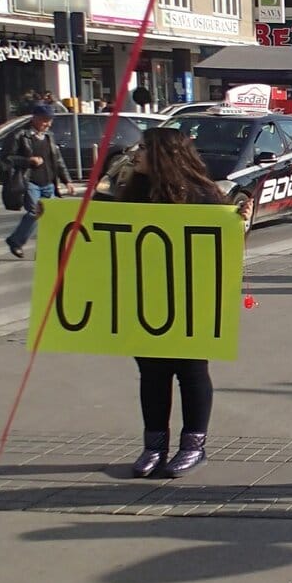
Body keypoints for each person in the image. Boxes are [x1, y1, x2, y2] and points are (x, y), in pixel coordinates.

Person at [119, 128, 246, 478]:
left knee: (190, 372)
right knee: (152, 374)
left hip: (191, 300)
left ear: (165, 154)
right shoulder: (132, 192)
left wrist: (240, 222)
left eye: (144, 148)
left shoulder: (202, 195)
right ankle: (154, 446)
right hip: (146, 300)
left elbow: (225, 241)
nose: (136, 154)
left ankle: (193, 446)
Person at [3, 103, 73, 259]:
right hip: (30, 182)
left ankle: (49, 248)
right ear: (34, 118)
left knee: (52, 215)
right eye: (44, 120)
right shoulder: (19, 135)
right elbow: (6, 159)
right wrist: (28, 161)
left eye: (50, 120)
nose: (47, 124)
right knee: (35, 212)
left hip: (48, 183)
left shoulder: (49, 136)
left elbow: (58, 160)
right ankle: (16, 241)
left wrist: (67, 181)